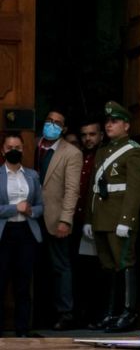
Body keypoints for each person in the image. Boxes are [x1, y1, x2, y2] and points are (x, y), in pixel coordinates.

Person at [83, 101, 140, 332]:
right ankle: (111, 313)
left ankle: (129, 312)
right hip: (102, 219)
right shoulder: (103, 151)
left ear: (126, 125)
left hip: (119, 220)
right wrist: (89, 220)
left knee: (125, 264)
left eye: (115, 121)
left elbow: (135, 189)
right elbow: (94, 188)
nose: (109, 125)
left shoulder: (134, 151)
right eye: (108, 121)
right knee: (108, 267)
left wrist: (126, 220)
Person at [35, 109, 82, 330]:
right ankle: (37, 314)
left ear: (63, 129)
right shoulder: (32, 145)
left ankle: (65, 314)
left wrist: (66, 220)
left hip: (55, 219)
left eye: (57, 123)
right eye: (49, 120)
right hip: (30, 217)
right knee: (34, 266)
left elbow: (72, 190)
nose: (51, 125)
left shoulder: (71, 153)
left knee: (60, 267)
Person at [0, 133, 44, 337]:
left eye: (17, 147)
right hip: (4, 233)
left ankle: (22, 331)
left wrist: (30, 211)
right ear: (3, 150)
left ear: (23, 149)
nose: (14, 151)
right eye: (10, 147)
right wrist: (14, 208)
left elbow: (40, 206)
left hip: (26, 233)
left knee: (23, 284)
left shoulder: (32, 175)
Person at [72, 116, 105, 327]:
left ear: (101, 135)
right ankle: (80, 315)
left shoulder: (104, 157)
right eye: (84, 135)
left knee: (97, 273)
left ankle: (97, 316)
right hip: (75, 220)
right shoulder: (78, 156)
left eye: (92, 134)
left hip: (97, 223)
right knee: (79, 272)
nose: (88, 139)